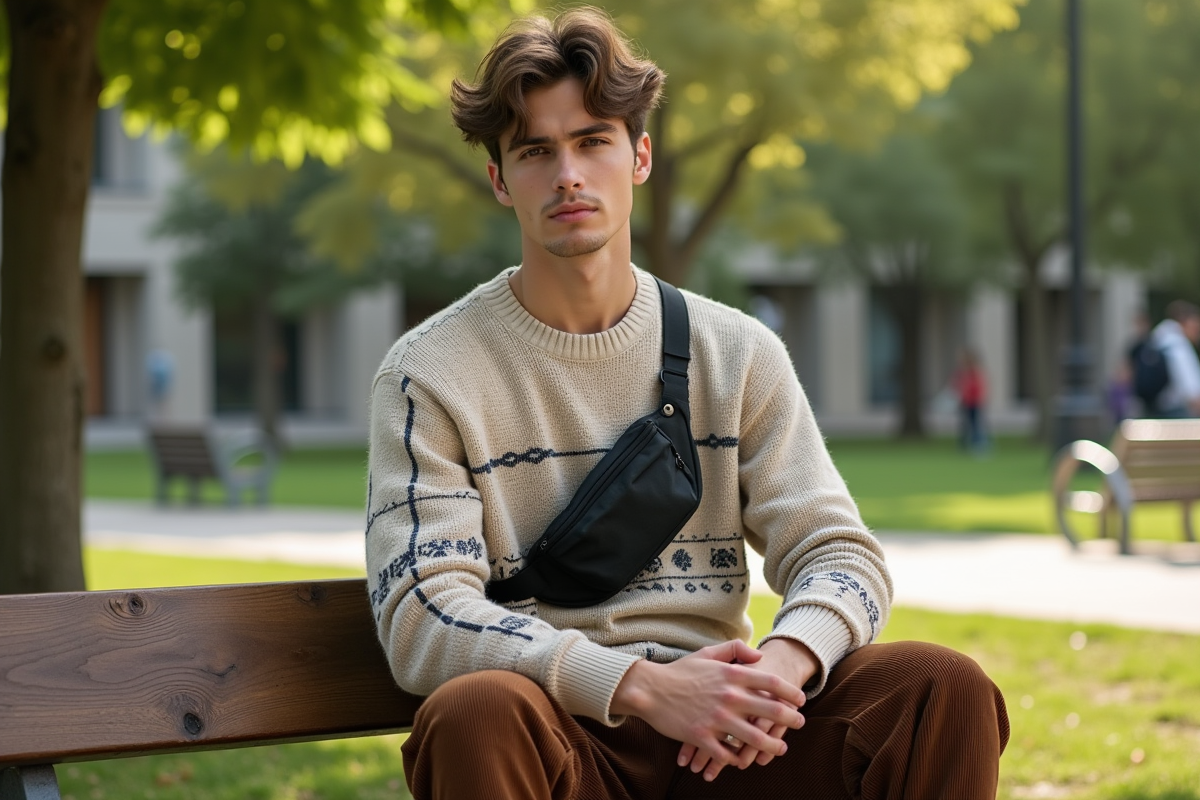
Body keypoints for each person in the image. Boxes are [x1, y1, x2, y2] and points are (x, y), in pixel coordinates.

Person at [365, 9, 1008, 798]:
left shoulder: (735, 352)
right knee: (474, 711)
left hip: (736, 739)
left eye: (592, 140)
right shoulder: (428, 373)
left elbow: (840, 555)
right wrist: (640, 687)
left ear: (638, 156)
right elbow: (423, 614)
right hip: (561, 737)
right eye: (536, 151)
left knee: (938, 686)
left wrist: (781, 668)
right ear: (500, 180)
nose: (568, 173)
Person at [1147, 300, 1200, 418]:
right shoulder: (1178, 345)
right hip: (1177, 411)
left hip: (1157, 408)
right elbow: (1190, 389)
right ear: (1186, 322)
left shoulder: (1159, 339)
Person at [952, 347, 988, 455]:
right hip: (965, 402)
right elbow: (956, 384)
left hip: (974, 402)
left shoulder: (974, 372)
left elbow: (978, 387)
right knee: (965, 425)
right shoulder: (962, 372)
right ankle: (965, 445)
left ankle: (979, 444)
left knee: (975, 424)